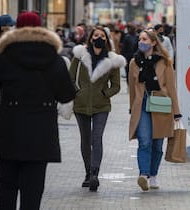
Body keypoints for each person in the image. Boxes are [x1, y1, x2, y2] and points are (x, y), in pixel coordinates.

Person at [0, 11, 76, 210]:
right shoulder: (55, 60)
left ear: (17, 28)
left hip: (9, 131)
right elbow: (66, 95)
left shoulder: (6, 57)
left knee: (6, 186)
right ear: (41, 28)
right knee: (33, 190)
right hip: (40, 134)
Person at [69, 26, 126, 192]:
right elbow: (70, 78)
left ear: (106, 39)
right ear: (90, 38)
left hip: (101, 105)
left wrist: (104, 93)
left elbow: (116, 86)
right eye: (96, 35)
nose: (99, 38)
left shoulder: (112, 60)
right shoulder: (80, 56)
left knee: (97, 137)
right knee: (85, 139)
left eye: (102, 35)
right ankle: (87, 173)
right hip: (81, 105)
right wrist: (77, 92)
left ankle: (95, 173)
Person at [128, 29, 182, 191]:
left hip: (161, 103)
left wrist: (176, 111)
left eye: (145, 39)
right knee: (144, 140)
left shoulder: (165, 62)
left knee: (157, 144)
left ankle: (153, 175)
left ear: (153, 42)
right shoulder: (134, 63)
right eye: (140, 39)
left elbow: (172, 88)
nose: (141, 42)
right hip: (142, 104)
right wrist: (132, 108)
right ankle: (143, 174)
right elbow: (132, 88)